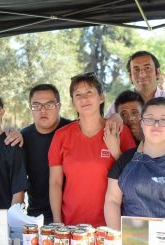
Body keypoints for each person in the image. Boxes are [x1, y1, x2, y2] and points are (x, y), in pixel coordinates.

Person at [105, 97, 165, 231]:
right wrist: (116, 237)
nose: (156, 125)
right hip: (135, 237)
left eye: (163, 119)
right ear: (142, 122)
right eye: (150, 119)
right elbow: (112, 201)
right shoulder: (125, 159)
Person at [48, 72, 136, 226]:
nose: (84, 99)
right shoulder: (61, 136)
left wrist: (116, 152)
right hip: (71, 225)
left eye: (89, 92)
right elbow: (55, 182)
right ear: (73, 102)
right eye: (78, 95)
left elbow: (134, 177)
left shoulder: (120, 131)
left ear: (101, 97)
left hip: (111, 226)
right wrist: (57, 221)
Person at [106, 51, 165, 141]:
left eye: (147, 68)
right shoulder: (118, 106)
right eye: (136, 69)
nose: (142, 74)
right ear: (130, 77)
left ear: (158, 73)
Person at [21, 84, 71, 224]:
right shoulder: (22, 138)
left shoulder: (74, 130)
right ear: (30, 108)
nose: (43, 110)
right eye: (36, 105)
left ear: (58, 106)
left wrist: (115, 117)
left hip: (71, 215)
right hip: (36, 217)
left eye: (49, 105)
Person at [0, 88, 27, 209]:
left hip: (0, 225)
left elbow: (18, 194)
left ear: (2, 111)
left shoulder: (12, 145)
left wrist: (8, 224)